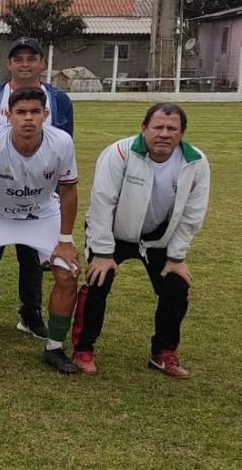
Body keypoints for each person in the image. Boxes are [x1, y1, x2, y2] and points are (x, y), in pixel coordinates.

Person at [71, 104, 209, 378]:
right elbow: (102, 203)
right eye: (158, 127)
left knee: (176, 287)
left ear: (182, 133)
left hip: (159, 238)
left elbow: (192, 214)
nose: (164, 134)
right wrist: (102, 252)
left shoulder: (196, 162)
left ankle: (163, 352)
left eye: (172, 129)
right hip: (114, 232)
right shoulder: (119, 153)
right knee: (99, 280)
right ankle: (83, 349)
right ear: (144, 128)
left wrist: (176, 257)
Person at [0, 86, 80, 374]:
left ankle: (55, 348)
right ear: (8, 115)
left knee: (67, 272)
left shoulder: (61, 142)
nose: (28, 119)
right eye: (21, 112)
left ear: (46, 115)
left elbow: (69, 190)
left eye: (35, 112)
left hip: (43, 215)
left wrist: (65, 240)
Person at [0, 37, 74, 339]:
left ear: (42, 62)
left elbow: (64, 144)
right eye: (18, 59)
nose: (25, 64)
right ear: (9, 64)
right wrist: (5, 166)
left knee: (31, 257)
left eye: (31, 58)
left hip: (41, 193)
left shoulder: (59, 99)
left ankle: (31, 313)